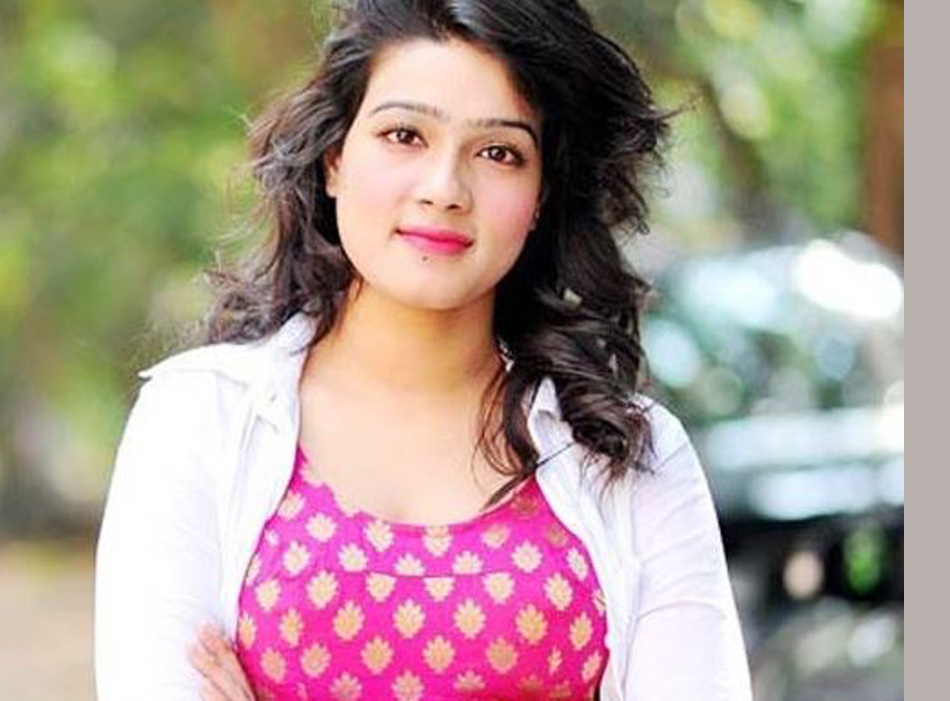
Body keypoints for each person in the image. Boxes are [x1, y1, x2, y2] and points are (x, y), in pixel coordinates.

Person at [94, 0, 752, 698]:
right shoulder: (198, 419)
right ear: (334, 159)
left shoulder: (630, 455)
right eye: (404, 135)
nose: (444, 190)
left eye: (498, 153)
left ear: (540, 195)